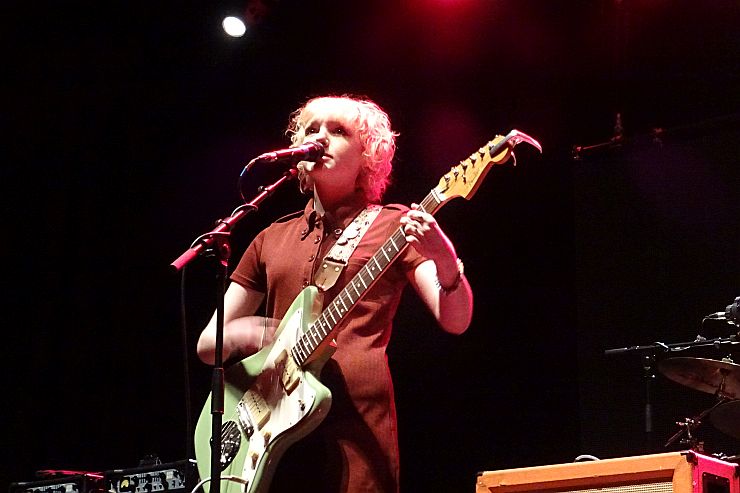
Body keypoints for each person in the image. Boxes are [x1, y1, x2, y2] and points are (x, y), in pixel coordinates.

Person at [196, 94, 473, 492]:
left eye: (339, 131)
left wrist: (445, 260)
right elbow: (209, 345)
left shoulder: (394, 225)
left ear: (368, 157)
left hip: (356, 436)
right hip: (271, 436)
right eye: (311, 129)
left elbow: (456, 319)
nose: (320, 137)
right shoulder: (270, 237)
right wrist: (255, 333)